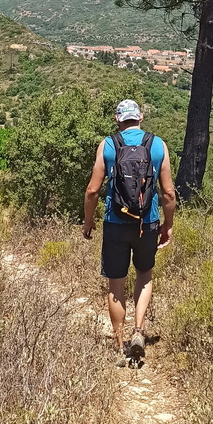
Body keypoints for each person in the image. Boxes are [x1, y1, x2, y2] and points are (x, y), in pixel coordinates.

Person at [82, 99, 176, 363]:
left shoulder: (108, 145)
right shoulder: (157, 145)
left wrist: (88, 222)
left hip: (115, 222)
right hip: (147, 223)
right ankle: (138, 332)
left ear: (117, 119)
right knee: (144, 275)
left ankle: (118, 343)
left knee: (116, 283)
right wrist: (167, 225)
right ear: (140, 117)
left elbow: (92, 190)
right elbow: (168, 193)